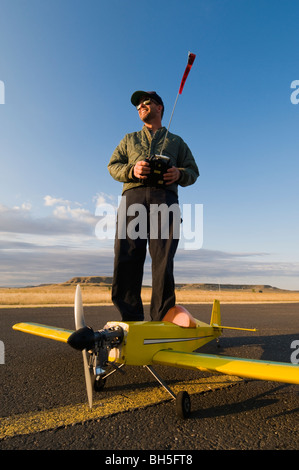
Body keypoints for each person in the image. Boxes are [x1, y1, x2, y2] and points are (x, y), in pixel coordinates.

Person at [107, 90, 199, 322]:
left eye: (145, 103)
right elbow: (112, 166)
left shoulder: (176, 142)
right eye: (137, 105)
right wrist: (131, 170)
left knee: (163, 258)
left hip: (165, 200)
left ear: (159, 107)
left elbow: (193, 172)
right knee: (127, 254)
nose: (140, 106)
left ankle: (162, 318)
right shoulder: (128, 139)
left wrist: (179, 173)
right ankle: (130, 319)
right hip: (132, 199)